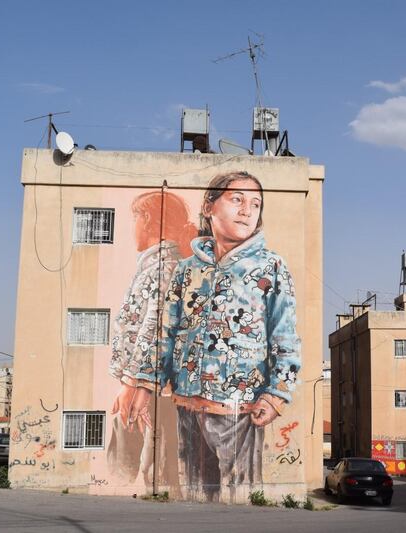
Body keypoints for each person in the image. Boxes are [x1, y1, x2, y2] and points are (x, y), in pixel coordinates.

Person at [128, 171, 301, 502]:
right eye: (236, 199)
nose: (247, 210)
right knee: (193, 497)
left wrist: (276, 395)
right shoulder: (186, 269)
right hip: (187, 406)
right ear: (209, 207)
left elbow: (285, 335)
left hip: (241, 409)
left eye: (255, 204)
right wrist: (144, 383)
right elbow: (166, 332)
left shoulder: (271, 268)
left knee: (240, 499)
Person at [107, 191, 196, 487]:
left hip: (157, 393)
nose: (133, 226)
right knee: (150, 462)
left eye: (135, 218)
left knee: (152, 464)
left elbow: (155, 328)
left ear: (147, 220)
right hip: (154, 391)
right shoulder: (156, 265)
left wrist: (131, 384)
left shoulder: (163, 268)